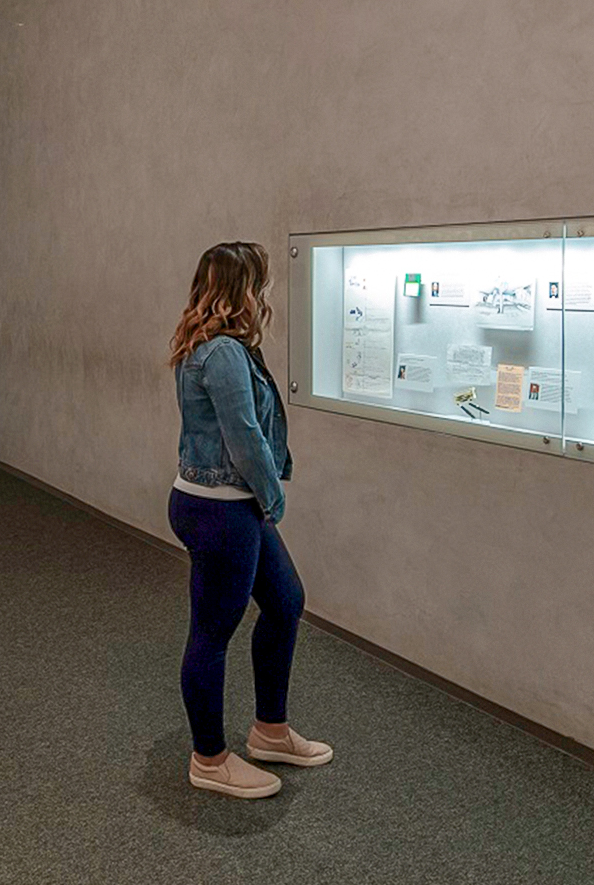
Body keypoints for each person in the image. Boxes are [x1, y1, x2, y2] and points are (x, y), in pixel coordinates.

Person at [167, 242, 329, 800]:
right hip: (221, 508)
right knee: (212, 633)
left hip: (231, 505)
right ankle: (209, 760)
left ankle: (270, 731)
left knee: (285, 602)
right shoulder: (222, 354)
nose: (267, 295)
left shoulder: (219, 347)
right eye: (261, 283)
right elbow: (244, 438)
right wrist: (273, 499)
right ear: (242, 289)